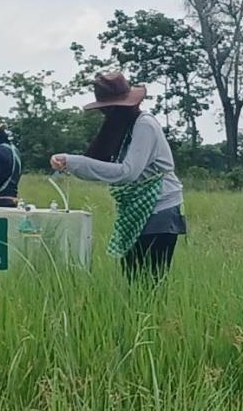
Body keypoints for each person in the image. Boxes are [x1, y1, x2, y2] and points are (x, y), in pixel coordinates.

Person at [50, 71, 186, 278]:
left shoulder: (144, 125)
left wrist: (73, 161)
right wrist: (72, 163)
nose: (105, 113)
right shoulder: (124, 127)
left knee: (150, 281)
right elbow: (104, 165)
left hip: (160, 208)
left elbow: (127, 173)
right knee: (133, 278)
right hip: (137, 207)